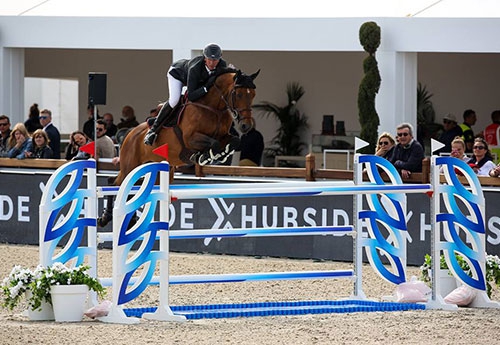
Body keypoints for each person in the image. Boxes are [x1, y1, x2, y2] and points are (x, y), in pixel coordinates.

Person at [144, 43, 228, 146]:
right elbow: (192, 96)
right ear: (204, 58)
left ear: (219, 59)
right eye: (209, 59)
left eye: (215, 60)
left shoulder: (222, 65)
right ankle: (153, 130)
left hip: (197, 80)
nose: (212, 63)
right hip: (178, 75)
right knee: (174, 100)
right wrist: (206, 87)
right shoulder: (195, 68)